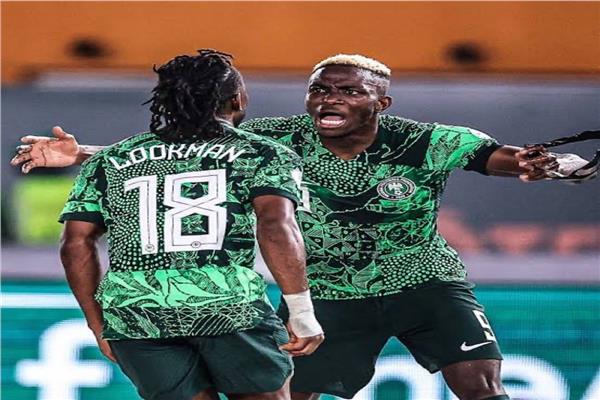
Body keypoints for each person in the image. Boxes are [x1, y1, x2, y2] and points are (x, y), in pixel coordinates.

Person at [11, 53, 592, 400]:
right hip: (330, 292)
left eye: (348, 91)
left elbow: (501, 157)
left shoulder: (430, 140)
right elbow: (188, 151)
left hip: (424, 282)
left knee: (482, 388)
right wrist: (82, 152)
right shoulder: (279, 137)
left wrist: (544, 166)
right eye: (320, 89)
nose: (328, 99)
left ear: (381, 103)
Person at [38, 49, 325, 400]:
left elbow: (75, 244)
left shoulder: (109, 160)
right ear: (237, 99)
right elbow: (276, 226)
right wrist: (301, 311)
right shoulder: (263, 154)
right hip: (228, 308)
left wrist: (99, 325)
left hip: (137, 314)